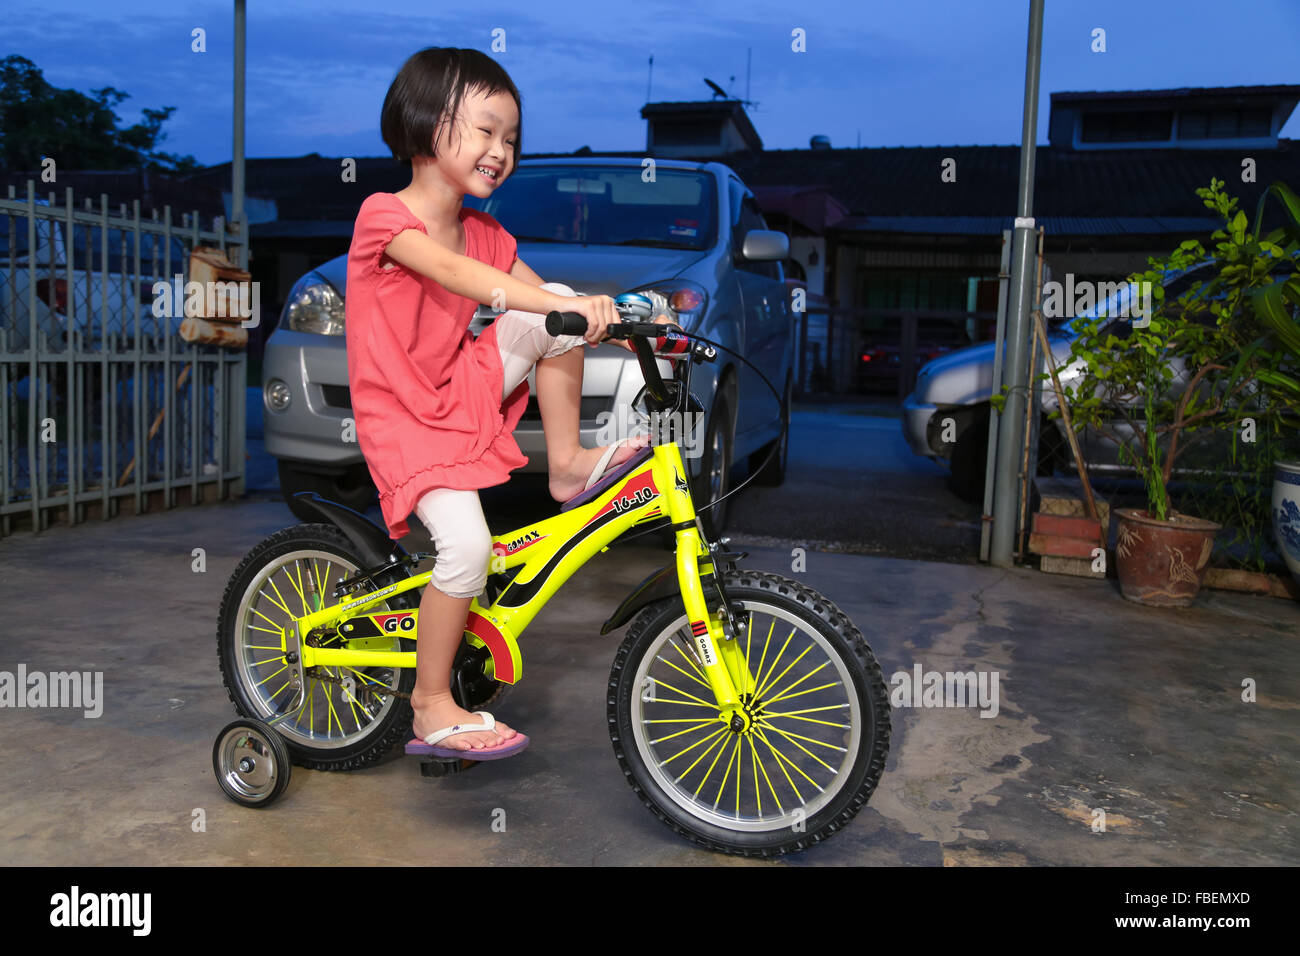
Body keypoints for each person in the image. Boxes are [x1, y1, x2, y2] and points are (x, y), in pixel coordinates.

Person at [345, 47, 668, 761]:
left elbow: (543, 301)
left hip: (458, 390)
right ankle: (430, 703)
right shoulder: (383, 215)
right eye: (487, 131)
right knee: (465, 550)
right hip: (402, 419)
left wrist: (627, 327)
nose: (502, 151)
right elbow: (465, 276)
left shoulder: (489, 232)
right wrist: (573, 308)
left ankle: (567, 466)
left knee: (553, 307)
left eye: (512, 140)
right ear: (427, 123)